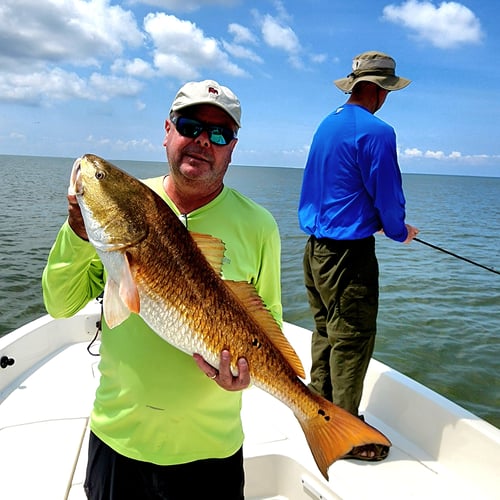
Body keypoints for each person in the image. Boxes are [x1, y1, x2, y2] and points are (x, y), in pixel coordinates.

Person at [42, 79, 282, 499]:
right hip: (119, 440)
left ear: (232, 146)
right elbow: (60, 305)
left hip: (212, 450)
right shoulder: (123, 206)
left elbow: (270, 325)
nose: (203, 141)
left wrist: (244, 377)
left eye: (219, 133)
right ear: (167, 131)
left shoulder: (260, 225)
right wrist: (78, 234)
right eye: (190, 125)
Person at [298, 51, 419, 461]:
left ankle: (319, 412)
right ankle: (345, 433)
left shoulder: (326, 124)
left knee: (326, 332)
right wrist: (398, 231)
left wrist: (373, 218)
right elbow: (387, 195)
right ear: (382, 90)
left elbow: (337, 186)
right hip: (348, 257)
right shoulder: (378, 132)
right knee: (351, 340)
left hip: (314, 252)